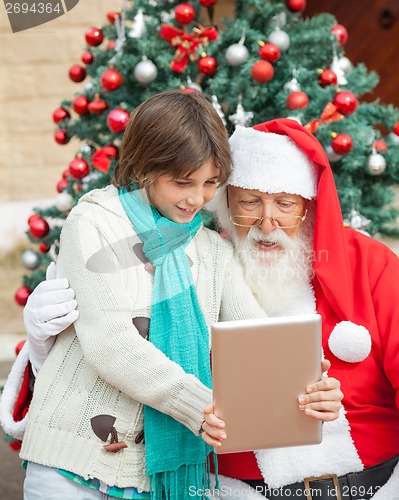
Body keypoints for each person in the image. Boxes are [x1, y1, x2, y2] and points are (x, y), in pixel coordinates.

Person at [0, 96, 341, 500]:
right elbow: (111, 344)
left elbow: (259, 337)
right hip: (71, 466)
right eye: (183, 182)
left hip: (153, 481)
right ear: (146, 166)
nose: (197, 199)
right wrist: (199, 406)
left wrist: (303, 379)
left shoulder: (213, 250)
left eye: (211, 183)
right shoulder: (94, 222)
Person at [209, 119, 399, 499]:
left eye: (285, 204)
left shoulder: (369, 263)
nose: (267, 223)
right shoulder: (202, 268)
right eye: (249, 202)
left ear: (308, 207)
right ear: (226, 204)